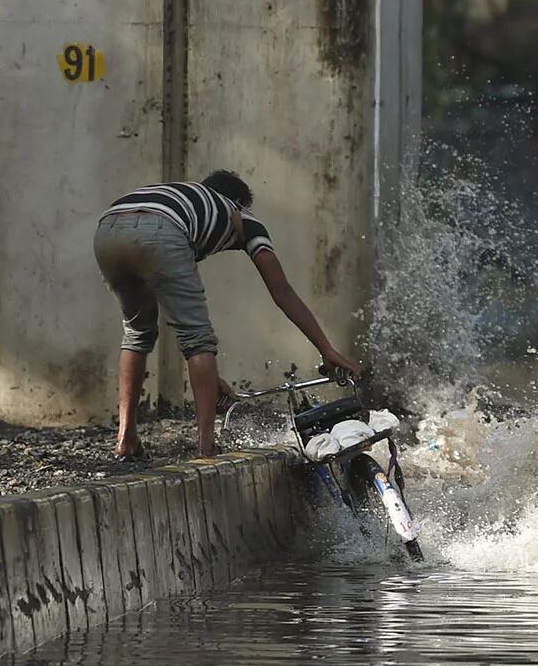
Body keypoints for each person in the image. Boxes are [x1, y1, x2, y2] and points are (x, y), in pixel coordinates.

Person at [93, 170, 361, 460]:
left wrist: (210, 376)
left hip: (108, 229)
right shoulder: (241, 215)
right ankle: (206, 448)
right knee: (199, 340)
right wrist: (326, 349)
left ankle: (126, 439)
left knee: (138, 332)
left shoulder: (185, 198)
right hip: (161, 229)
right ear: (239, 203)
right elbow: (281, 291)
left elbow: (171, 300)